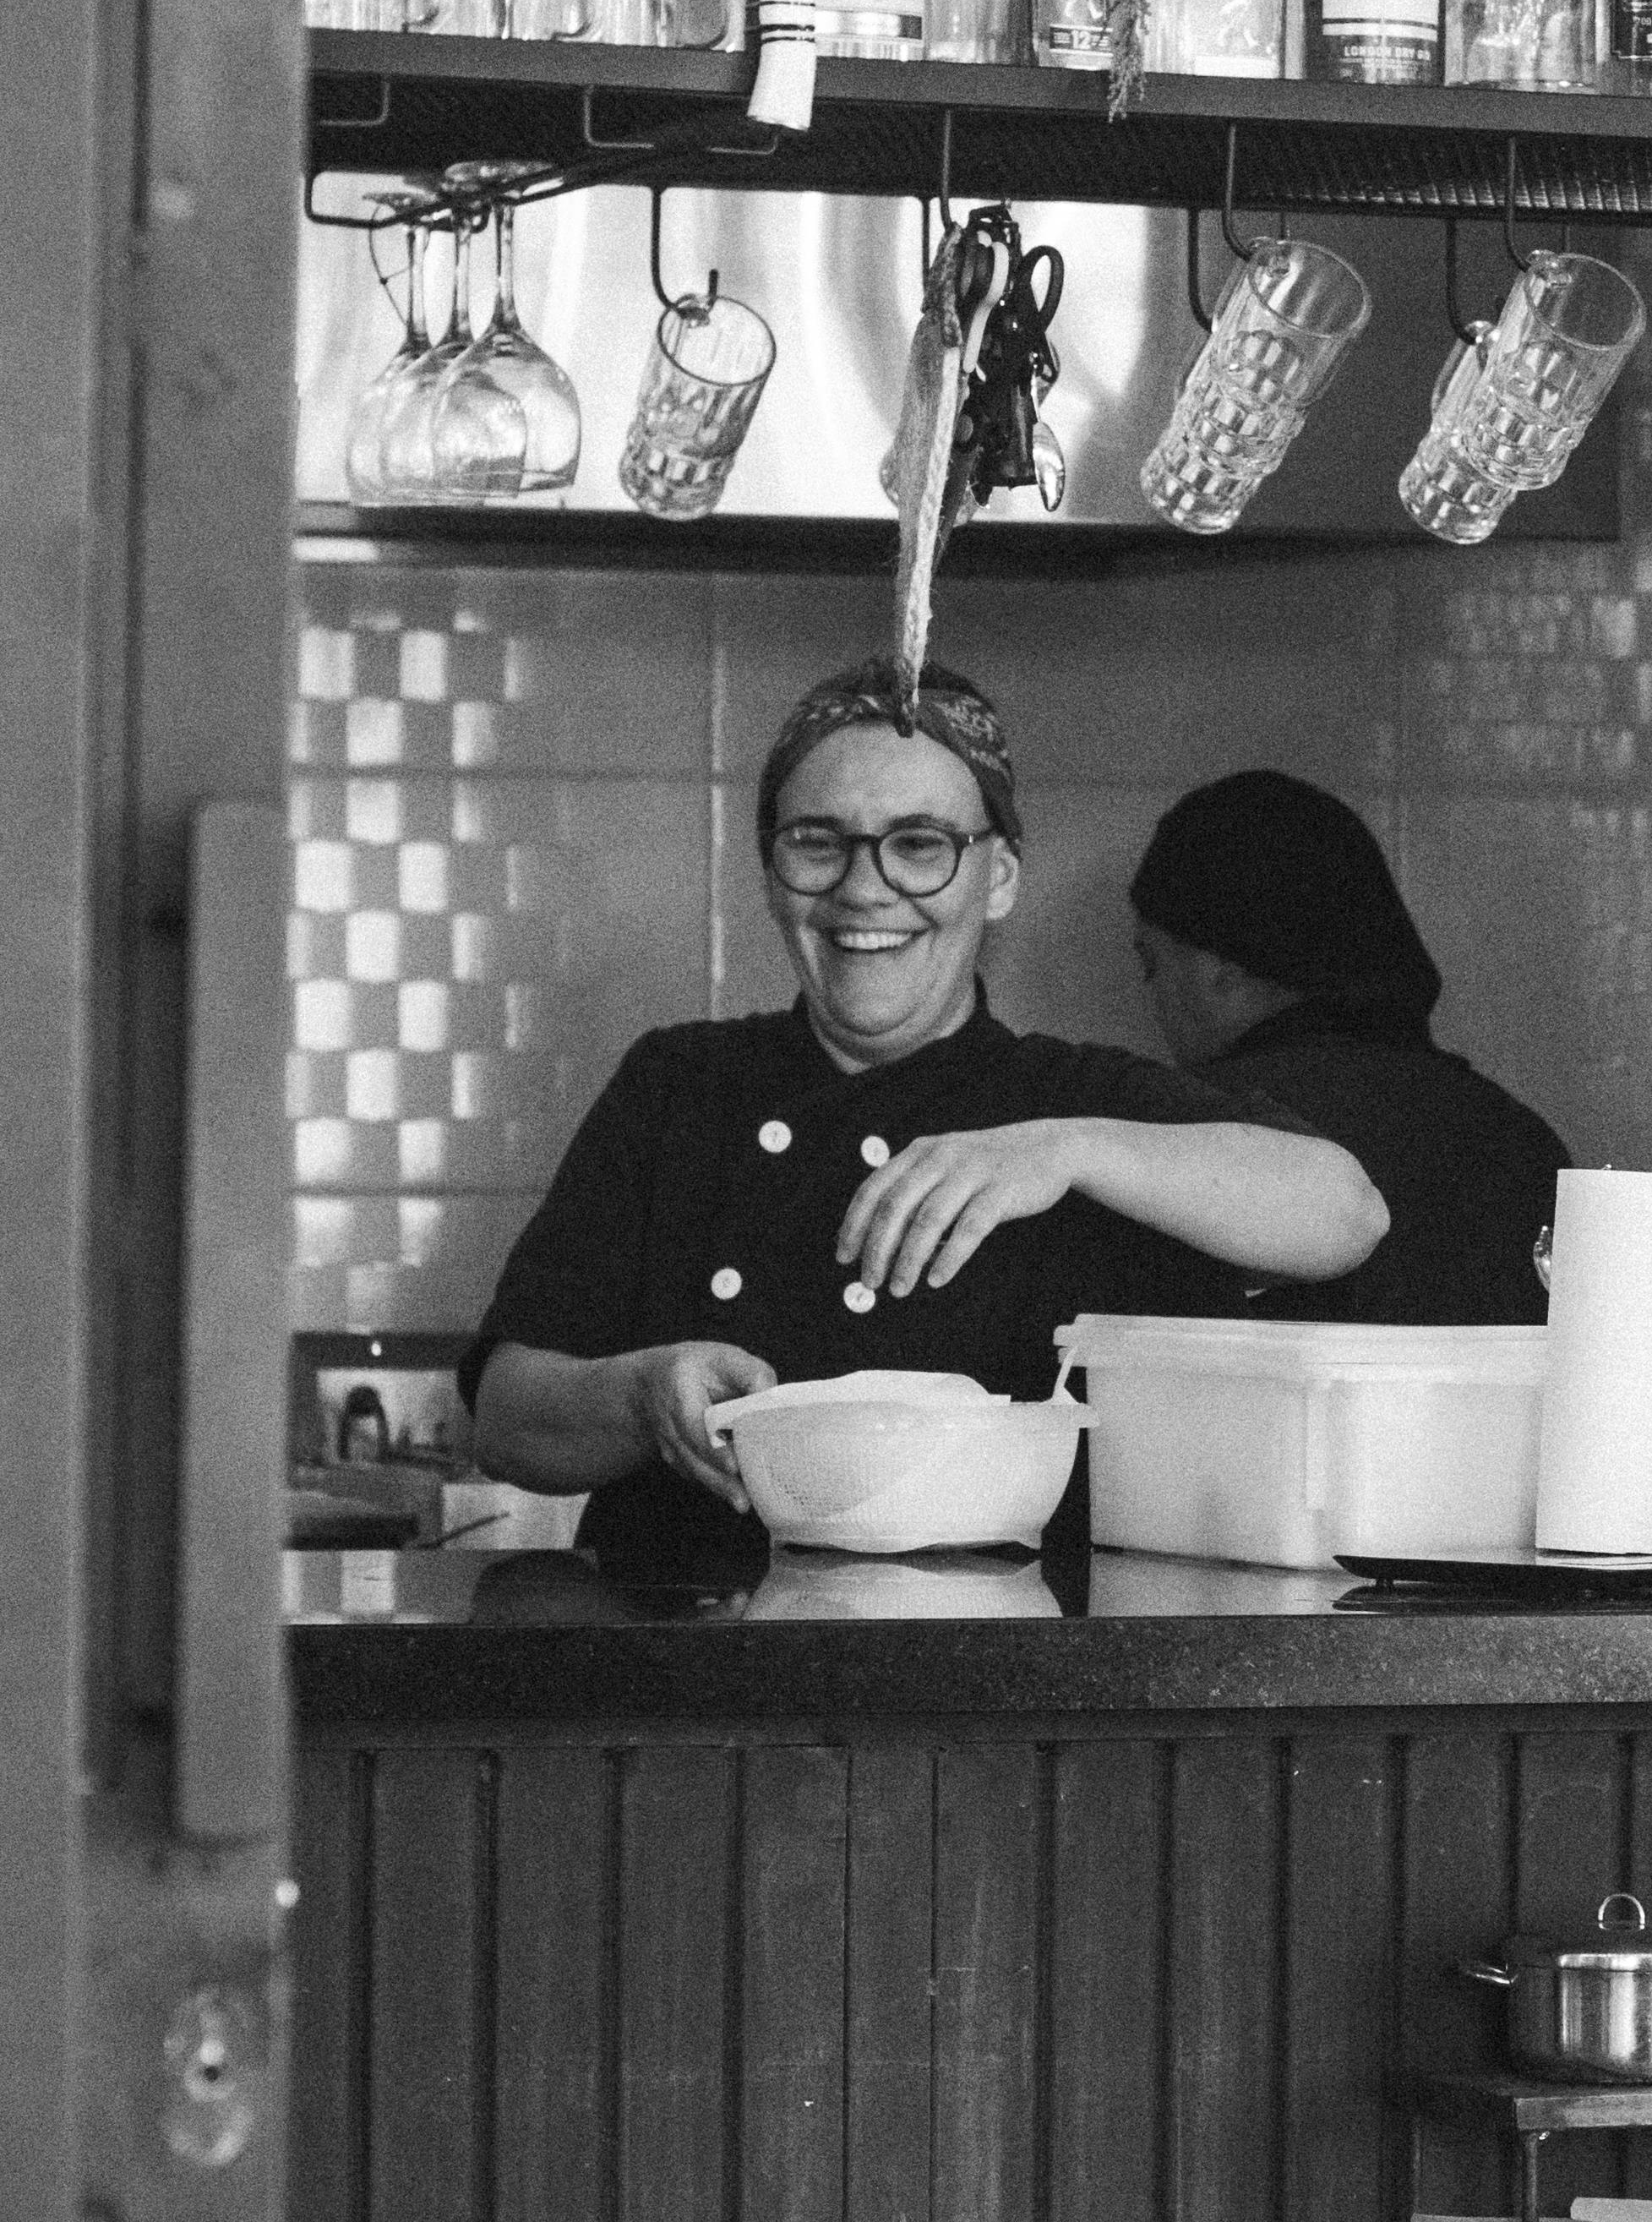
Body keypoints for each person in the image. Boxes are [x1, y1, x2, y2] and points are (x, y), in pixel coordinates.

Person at [464, 662, 1386, 1575]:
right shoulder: (680, 1085)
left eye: (919, 844)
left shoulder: (1067, 1101)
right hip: (687, 1650)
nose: (864, 889)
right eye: (818, 842)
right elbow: (505, 1417)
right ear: (771, 873)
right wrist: (639, 1395)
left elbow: (1345, 1213)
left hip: (999, 1653)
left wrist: (1066, 1149)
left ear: (999, 877)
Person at [1128, 768, 1567, 1326]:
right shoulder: (1524, 1145)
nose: (1153, 1001)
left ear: (1221, 969)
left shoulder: (1181, 1145)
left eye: (1152, 964)